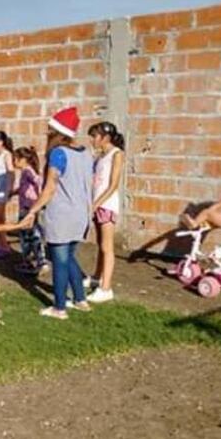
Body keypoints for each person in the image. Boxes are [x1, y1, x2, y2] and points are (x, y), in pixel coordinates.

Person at [21, 106, 94, 320]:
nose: (46, 134)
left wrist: (33, 210)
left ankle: (59, 307)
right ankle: (80, 299)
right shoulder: (86, 153)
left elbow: (50, 187)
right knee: (68, 256)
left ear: (57, 132)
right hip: (81, 213)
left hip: (62, 214)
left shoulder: (58, 154)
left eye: (49, 130)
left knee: (59, 261)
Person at [86, 121, 126, 303]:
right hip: (97, 204)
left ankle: (106, 287)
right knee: (100, 244)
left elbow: (113, 184)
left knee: (107, 247)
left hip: (106, 205)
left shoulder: (116, 154)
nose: (93, 140)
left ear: (105, 137)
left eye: (95, 136)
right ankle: (97, 277)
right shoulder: (101, 156)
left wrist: (97, 203)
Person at [10, 147, 47, 275]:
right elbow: (24, 187)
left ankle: (34, 262)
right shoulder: (26, 171)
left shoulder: (27, 171)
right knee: (31, 234)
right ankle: (36, 260)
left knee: (27, 236)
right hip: (29, 206)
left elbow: (38, 181)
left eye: (15, 159)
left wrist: (41, 195)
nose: (14, 162)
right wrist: (14, 192)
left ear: (23, 160)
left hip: (28, 208)